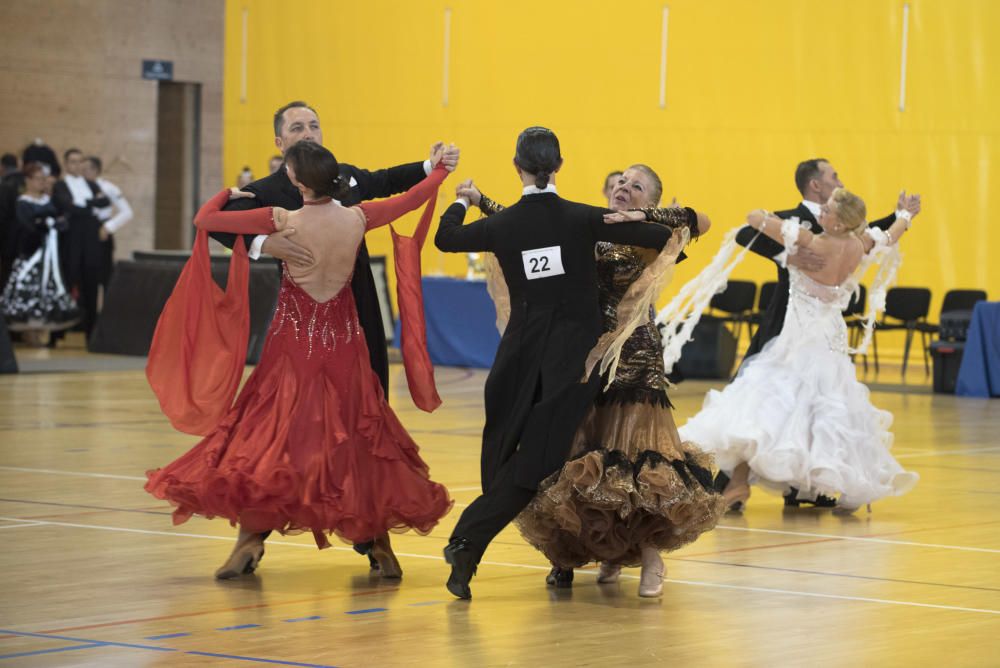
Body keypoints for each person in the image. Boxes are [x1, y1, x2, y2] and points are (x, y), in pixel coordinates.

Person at [145, 141, 454, 579]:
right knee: (363, 444)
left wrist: (226, 193)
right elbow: (413, 198)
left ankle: (250, 540)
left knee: (268, 440)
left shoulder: (280, 220)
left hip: (291, 351)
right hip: (346, 347)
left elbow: (205, 221)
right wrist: (439, 171)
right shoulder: (358, 217)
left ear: (294, 179)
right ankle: (381, 549)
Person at [434, 127, 681, 600]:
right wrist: (629, 215)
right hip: (570, 363)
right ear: (559, 166)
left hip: (517, 357)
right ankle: (469, 541)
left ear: (517, 166)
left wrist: (464, 200)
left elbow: (446, 239)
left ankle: (479, 549)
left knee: (504, 454)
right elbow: (657, 232)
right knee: (539, 462)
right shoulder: (583, 218)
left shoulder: (505, 226)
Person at [679, 188, 920, 513]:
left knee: (763, 408)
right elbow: (890, 235)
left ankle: (738, 484)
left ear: (838, 224)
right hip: (830, 343)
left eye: (828, 211)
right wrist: (905, 214)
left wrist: (779, 226)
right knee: (824, 415)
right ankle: (826, 485)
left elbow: (753, 218)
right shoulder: (857, 245)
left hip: (797, 342)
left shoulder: (814, 243)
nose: (822, 212)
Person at [1, 162, 80, 340]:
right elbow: (27, 227)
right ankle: (27, 335)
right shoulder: (22, 203)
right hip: (31, 254)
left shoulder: (48, 200)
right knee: (28, 291)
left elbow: (62, 218)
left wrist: (54, 224)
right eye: (38, 179)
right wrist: (46, 224)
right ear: (28, 180)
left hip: (49, 257)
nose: (41, 183)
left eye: (43, 179)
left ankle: (43, 334)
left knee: (47, 292)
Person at [51, 148, 111, 340]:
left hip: (91, 240)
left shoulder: (90, 184)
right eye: (72, 161)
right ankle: (57, 333)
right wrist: (91, 205)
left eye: (79, 161)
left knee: (91, 284)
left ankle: (90, 333)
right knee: (67, 282)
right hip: (71, 240)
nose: (76, 165)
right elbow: (66, 205)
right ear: (66, 164)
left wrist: (83, 204)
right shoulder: (60, 185)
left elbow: (106, 202)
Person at [81, 156, 132, 299]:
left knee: (105, 275)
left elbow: (127, 212)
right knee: (87, 276)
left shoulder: (109, 187)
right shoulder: (77, 187)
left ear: (95, 170)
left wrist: (108, 227)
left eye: (86, 169)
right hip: (84, 233)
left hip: (102, 231)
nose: (83, 172)